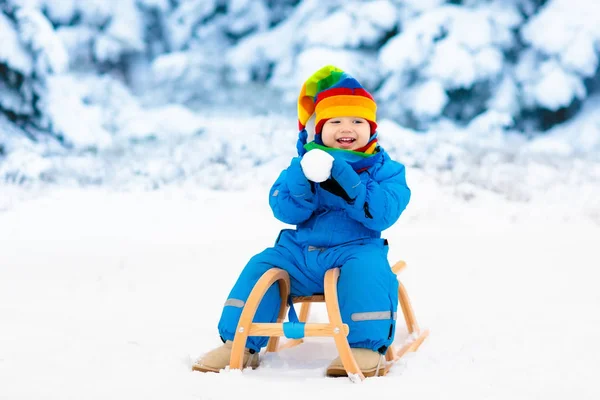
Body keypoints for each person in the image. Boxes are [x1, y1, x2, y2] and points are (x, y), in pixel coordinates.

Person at [194, 65, 411, 377]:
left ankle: (364, 346)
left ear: (372, 129)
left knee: (368, 271)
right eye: (334, 121)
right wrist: (301, 176)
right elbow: (285, 210)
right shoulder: (305, 164)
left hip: (356, 249)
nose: (345, 127)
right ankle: (239, 343)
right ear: (318, 130)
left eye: (356, 121)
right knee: (263, 264)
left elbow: (384, 211)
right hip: (301, 251)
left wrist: (350, 183)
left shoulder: (385, 169)